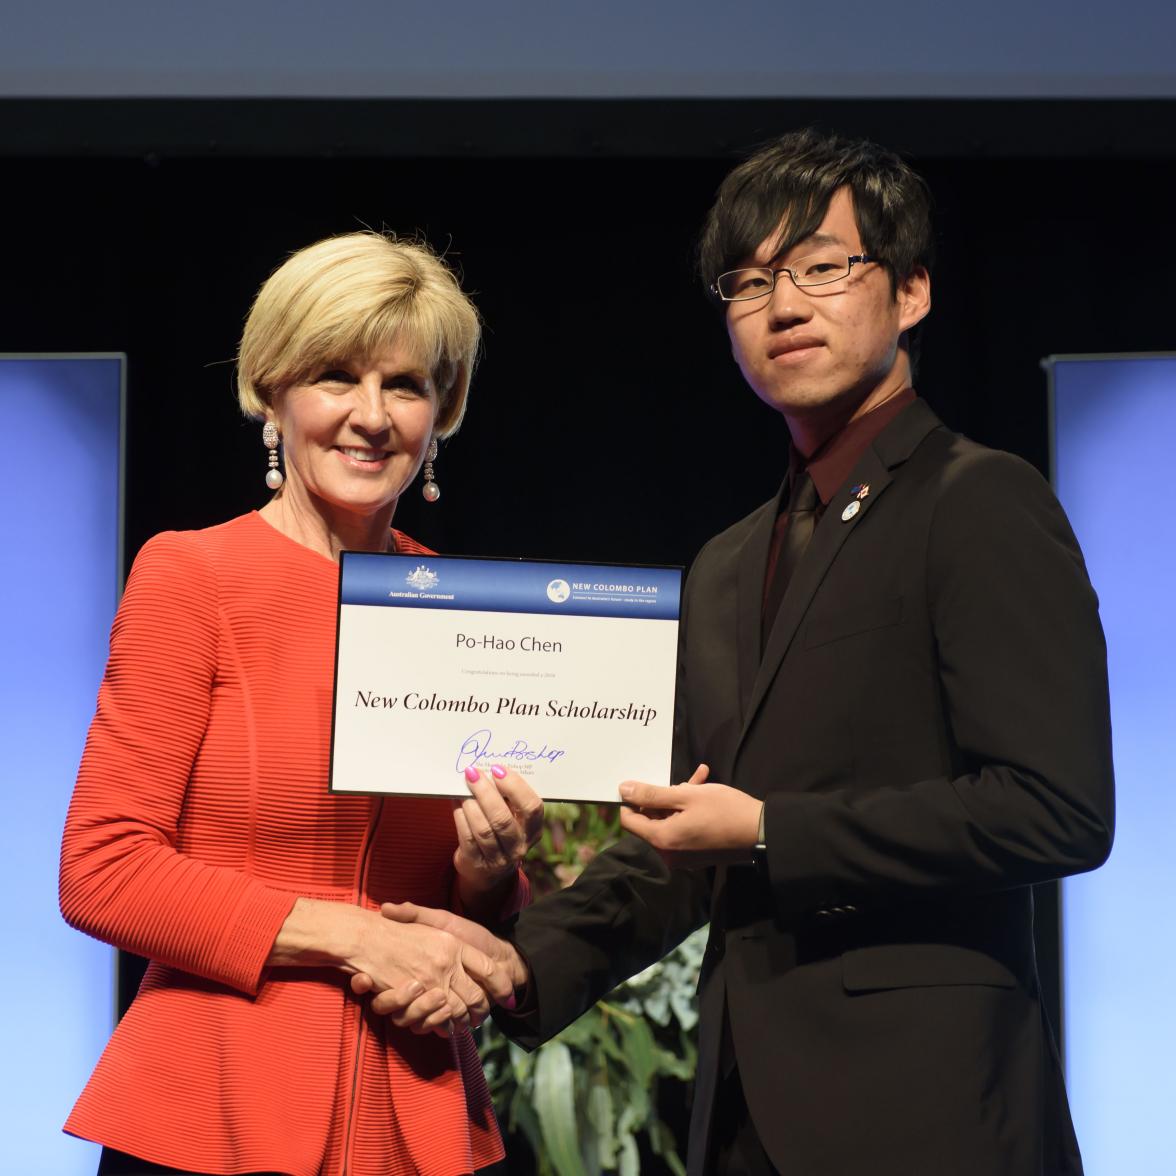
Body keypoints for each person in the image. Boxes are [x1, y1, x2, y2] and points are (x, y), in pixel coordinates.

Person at [372, 130, 1115, 1175]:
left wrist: (772, 832)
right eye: (750, 280)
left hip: (932, 1108)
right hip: (745, 1114)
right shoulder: (725, 563)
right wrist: (514, 963)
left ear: (910, 294)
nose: (783, 305)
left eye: (822, 267)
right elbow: (684, 838)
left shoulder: (979, 501)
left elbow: (1056, 808)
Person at [59, 231, 545, 1176]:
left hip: (418, 1114)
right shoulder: (192, 575)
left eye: (406, 386)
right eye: (335, 375)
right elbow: (103, 869)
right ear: (271, 392)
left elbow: (453, 906)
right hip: (215, 1107)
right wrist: (358, 937)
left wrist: (487, 872)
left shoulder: (462, 604)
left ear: (441, 415)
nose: (371, 416)